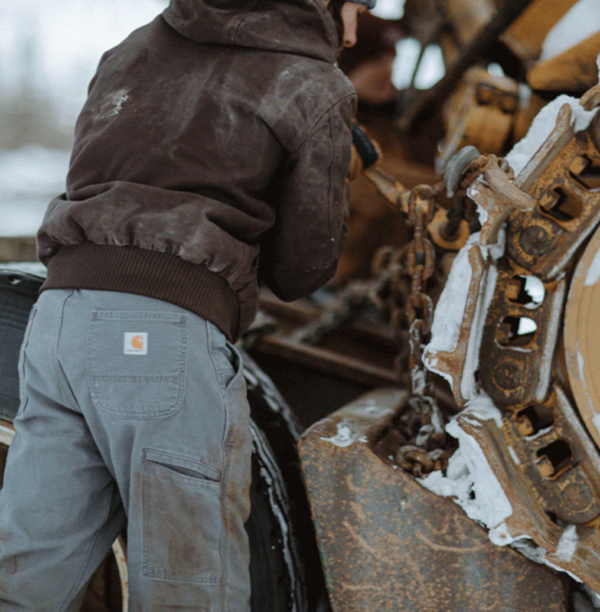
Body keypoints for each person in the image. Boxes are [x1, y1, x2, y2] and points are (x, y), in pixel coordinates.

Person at [0, 0, 375, 609]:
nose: (359, 24)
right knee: (189, 588)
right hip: (160, 342)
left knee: (27, 575)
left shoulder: (133, 48)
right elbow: (304, 269)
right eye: (363, 3)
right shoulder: (313, 84)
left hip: (57, 321)